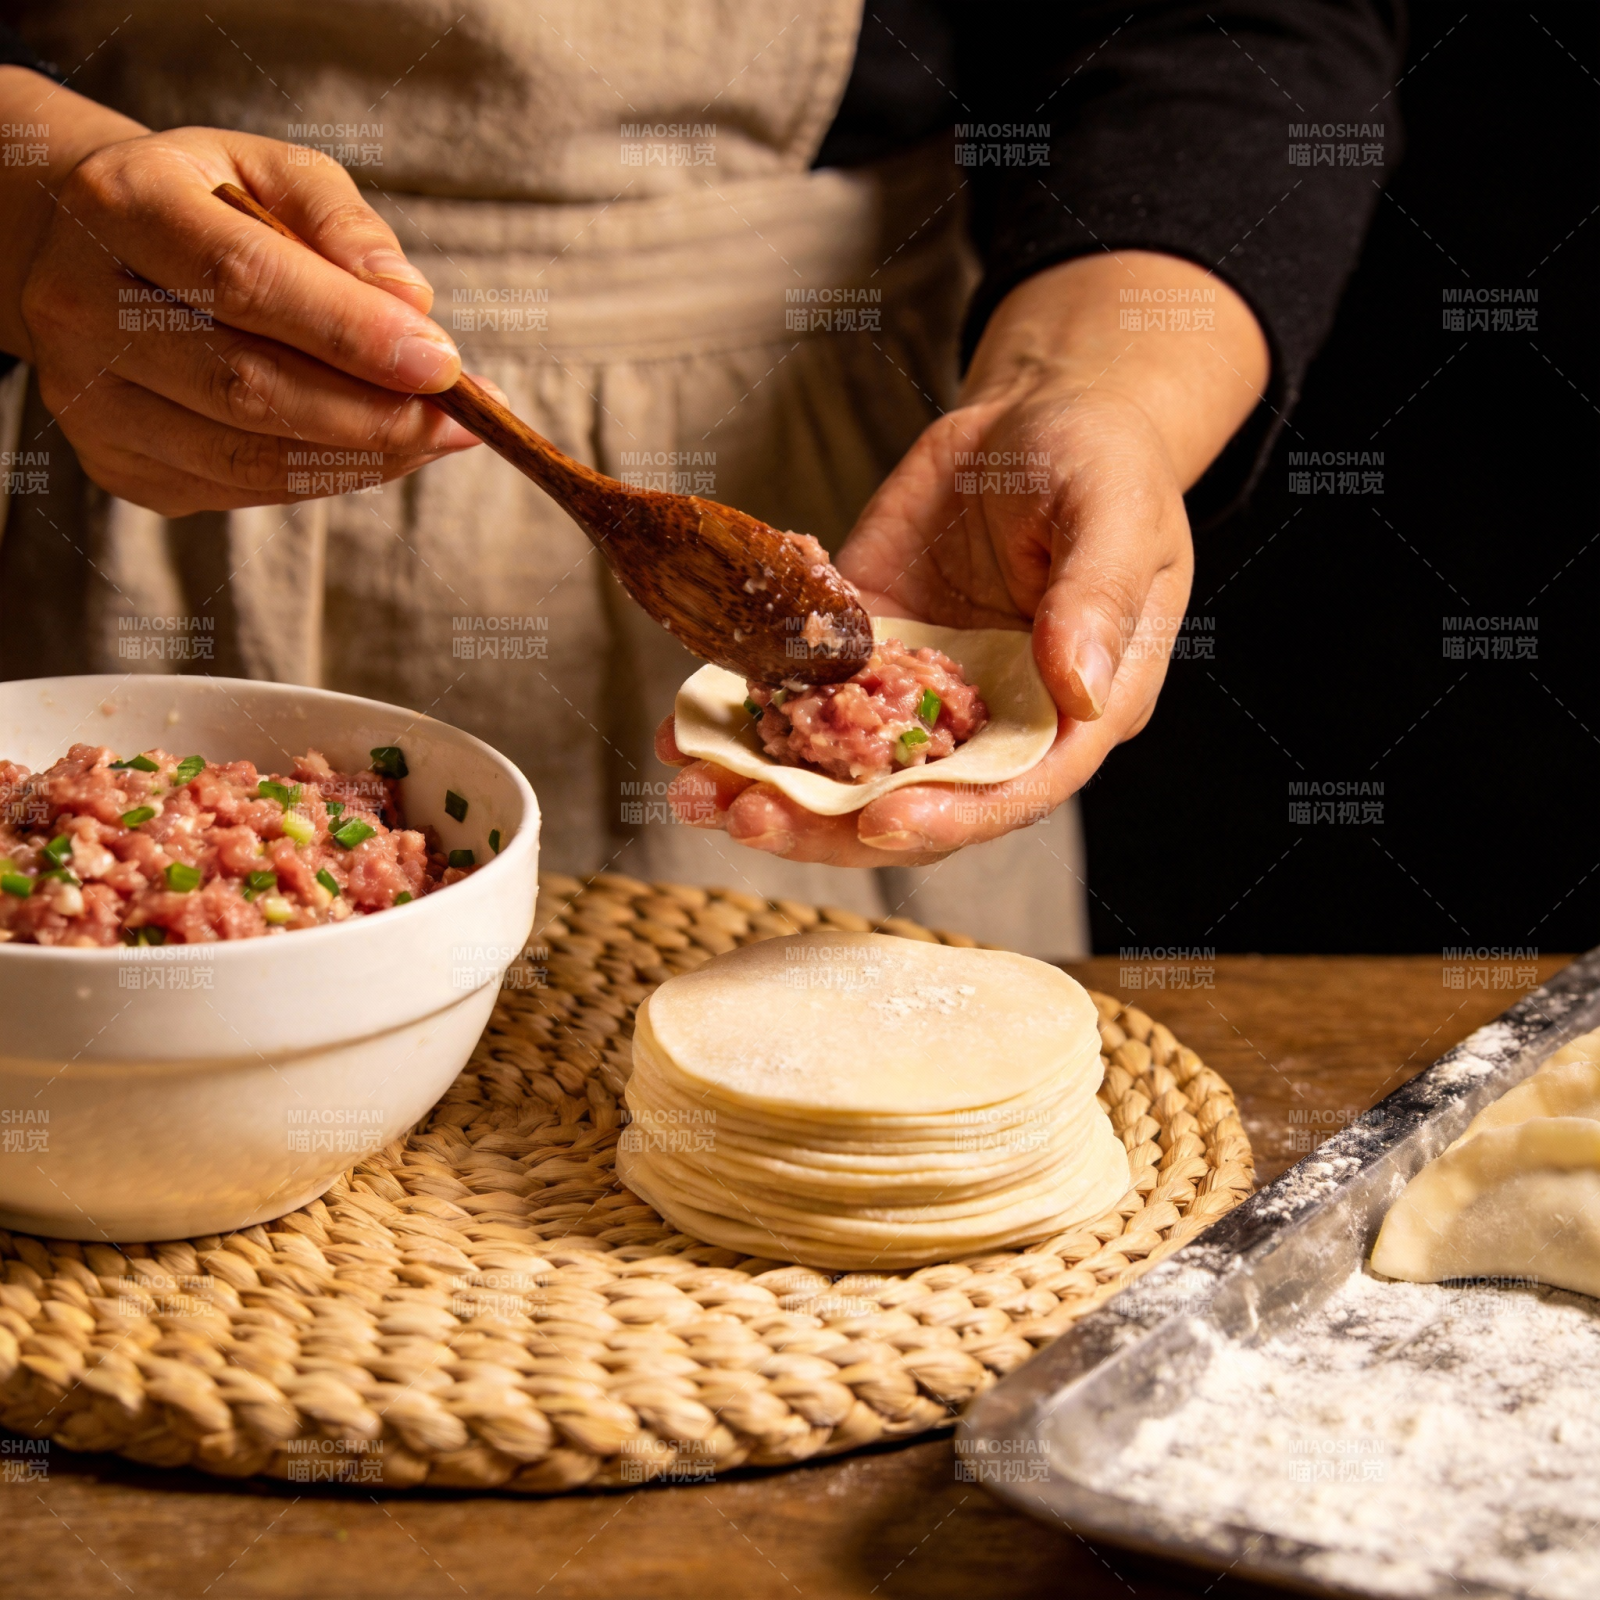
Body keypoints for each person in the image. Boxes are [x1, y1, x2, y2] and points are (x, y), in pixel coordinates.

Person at [0, 2, 1399, 955]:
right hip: (136, 444)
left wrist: (1091, 394)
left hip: (886, 480)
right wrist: (35, 219)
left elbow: (1225, 24)